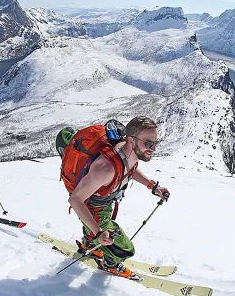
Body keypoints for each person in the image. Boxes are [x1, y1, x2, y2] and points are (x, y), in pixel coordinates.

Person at [67, 116, 170, 279]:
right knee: (125, 249)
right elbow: (75, 200)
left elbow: (130, 169)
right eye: (149, 143)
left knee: (103, 229)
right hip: (92, 209)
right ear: (131, 140)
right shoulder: (105, 169)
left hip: (106, 203)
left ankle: (91, 244)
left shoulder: (130, 153)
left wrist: (153, 186)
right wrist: (98, 232)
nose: (153, 148)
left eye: (155, 143)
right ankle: (109, 263)